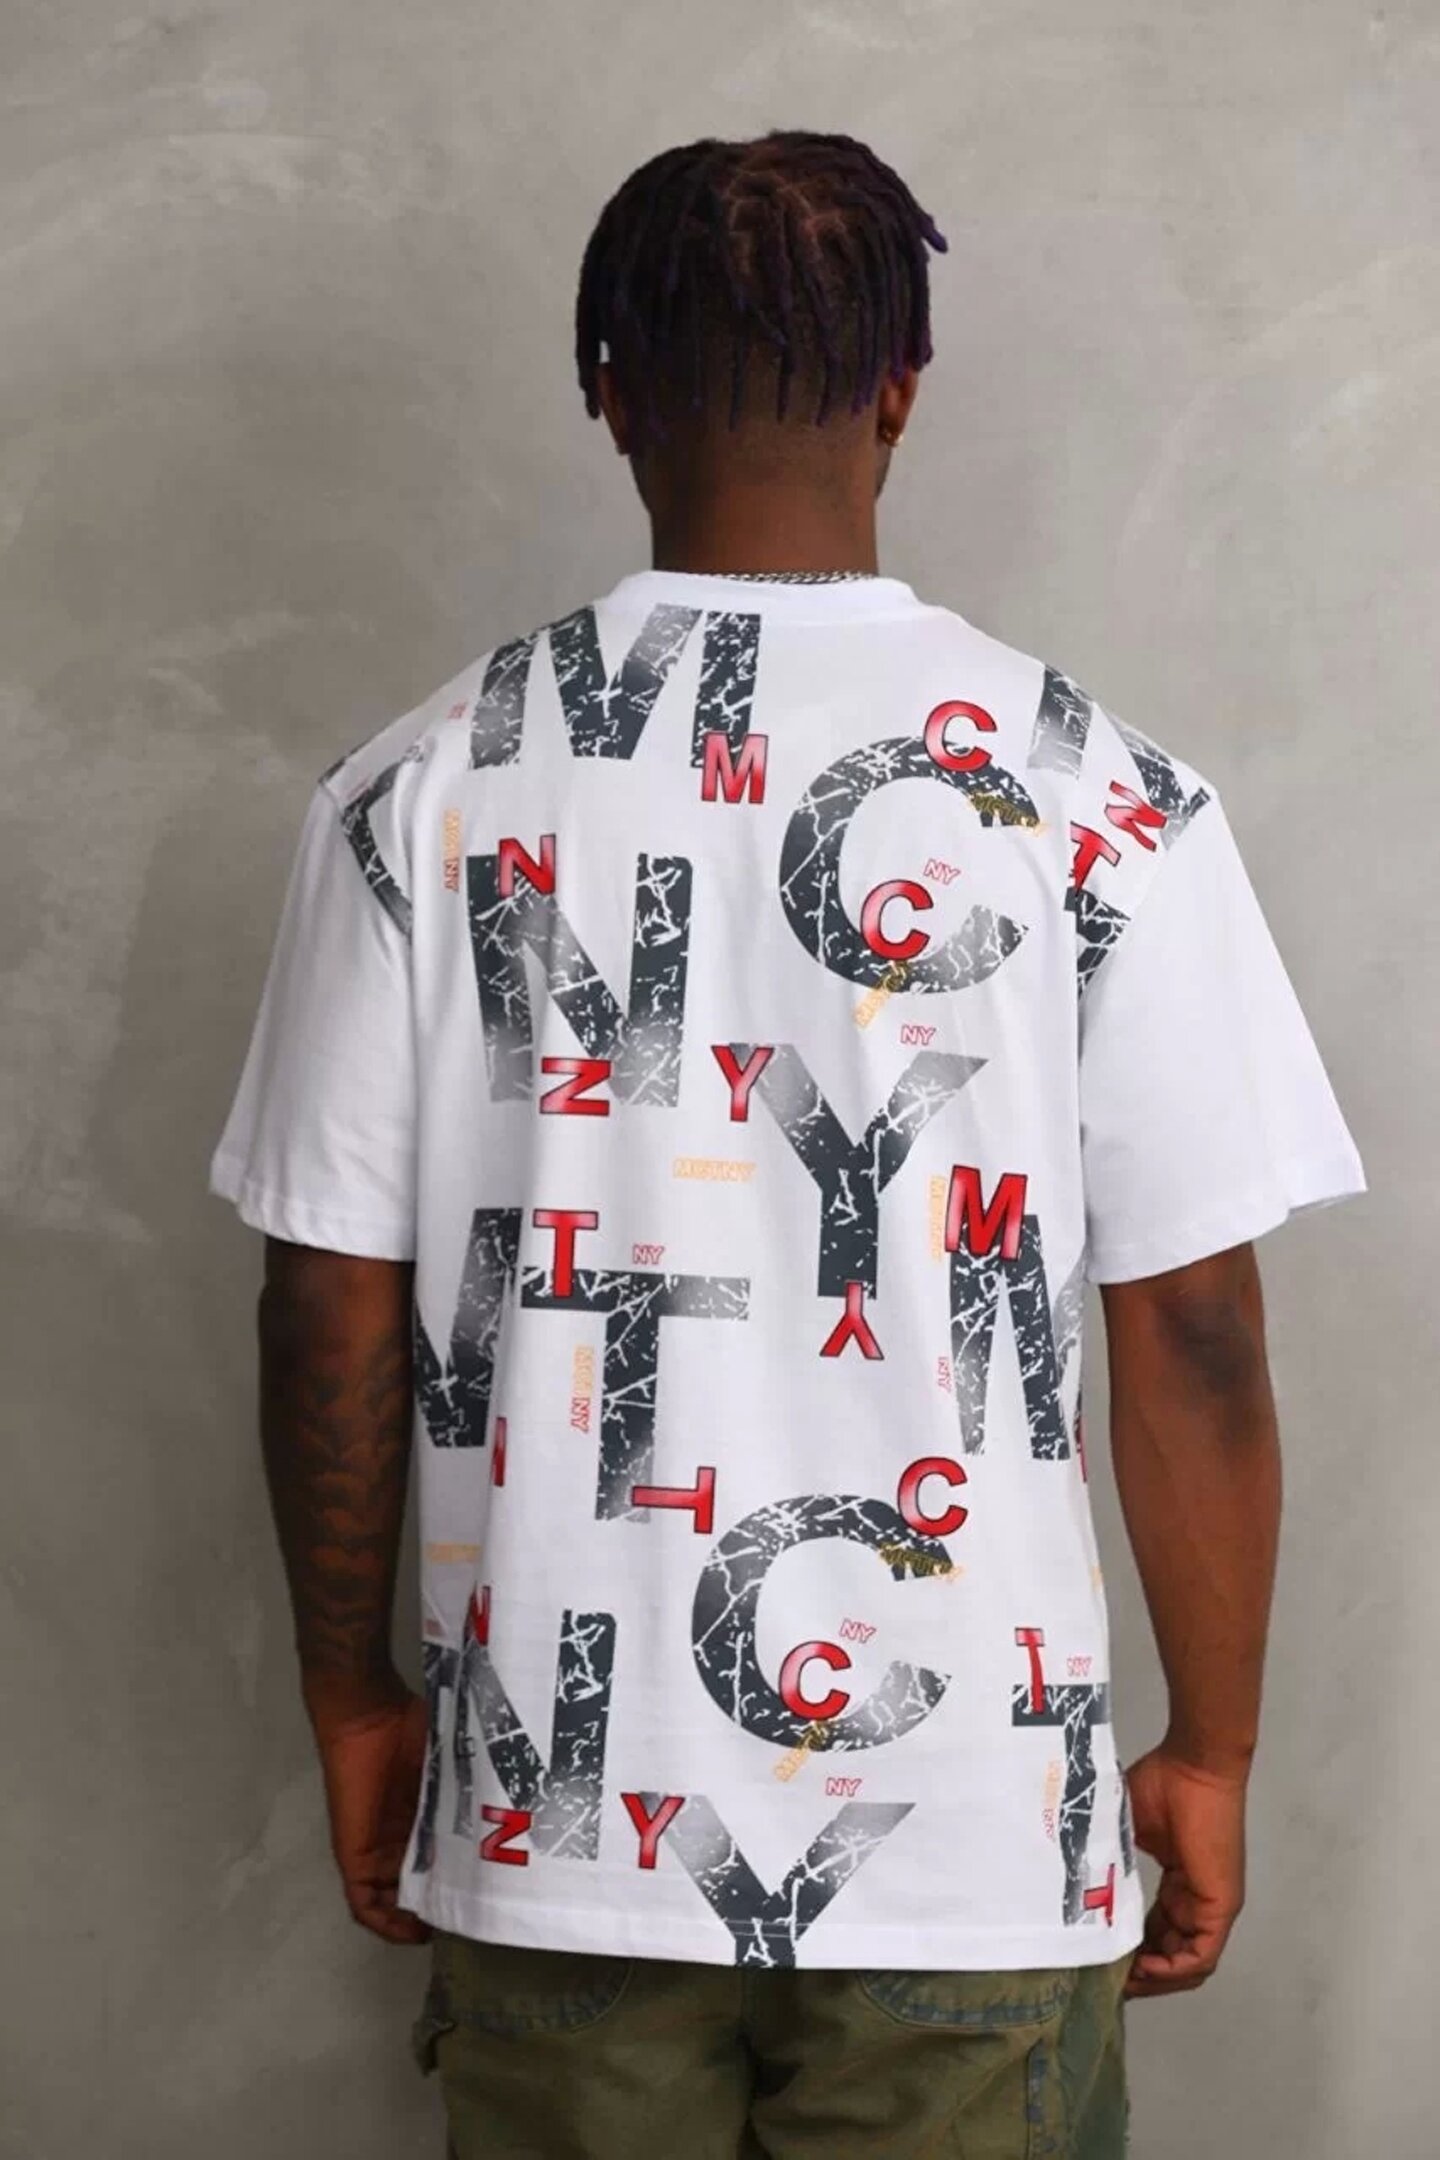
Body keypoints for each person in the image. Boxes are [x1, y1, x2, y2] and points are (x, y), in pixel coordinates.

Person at [210, 129, 1366, 2158]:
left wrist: (358, 1699)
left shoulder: (416, 795)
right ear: (902, 388)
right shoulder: (1103, 800)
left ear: (607, 390)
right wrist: (1213, 1746)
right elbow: (1193, 1327)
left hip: (560, 1823)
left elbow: (331, 1307)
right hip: (976, 1827)